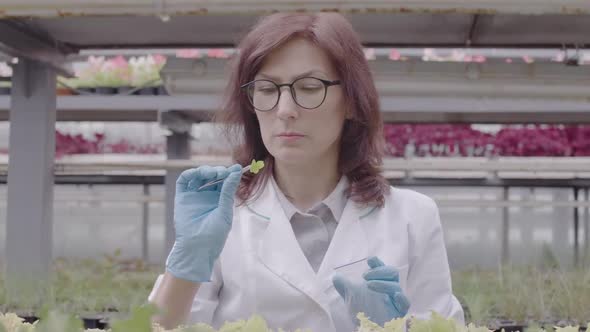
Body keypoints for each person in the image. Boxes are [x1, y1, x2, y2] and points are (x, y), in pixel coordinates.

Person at [148, 12, 464, 332]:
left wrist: (399, 327)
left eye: (310, 87)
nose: (285, 110)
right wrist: (185, 265)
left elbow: (443, 324)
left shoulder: (413, 216)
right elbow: (157, 328)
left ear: (352, 102)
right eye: (268, 89)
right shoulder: (220, 218)